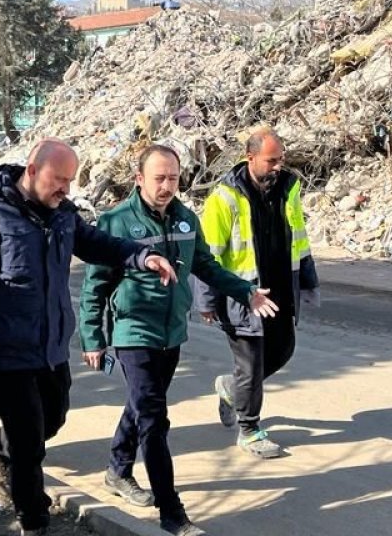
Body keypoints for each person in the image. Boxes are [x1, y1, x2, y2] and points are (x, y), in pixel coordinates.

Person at [0, 139, 176, 536]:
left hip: (50, 347)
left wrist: (141, 256)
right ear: (32, 170)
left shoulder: (62, 214)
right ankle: (34, 521)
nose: (65, 190)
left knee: (52, 419)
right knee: (29, 443)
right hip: (5, 348)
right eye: (59, 180)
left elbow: (96, 243)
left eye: (70, 181)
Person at [79, 145, 277, 536]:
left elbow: (205, 265)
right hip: (133, 330)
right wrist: (92, 337)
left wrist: (245, 291)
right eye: (159, 178)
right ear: (139, 179)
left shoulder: (186, 219)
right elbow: (95, 286)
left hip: (172, 332)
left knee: (142, 405)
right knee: (154, 419)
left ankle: (118, 470)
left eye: (173, 177)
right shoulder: (116, 222)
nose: (168, 186)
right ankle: (173, 513)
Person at [196, 127, 320, 459]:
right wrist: (207, 300)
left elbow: (300, 238)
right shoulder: (224, 198)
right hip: (241, 296)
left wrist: (307, 282)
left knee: (283, 350)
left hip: (279, 290)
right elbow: (207, 254)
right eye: (272, 160)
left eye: (281, 158)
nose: (279, 166)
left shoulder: (287, 188)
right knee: (250, 366)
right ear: (250, 158)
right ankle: (249, 430)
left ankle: (230, 388)